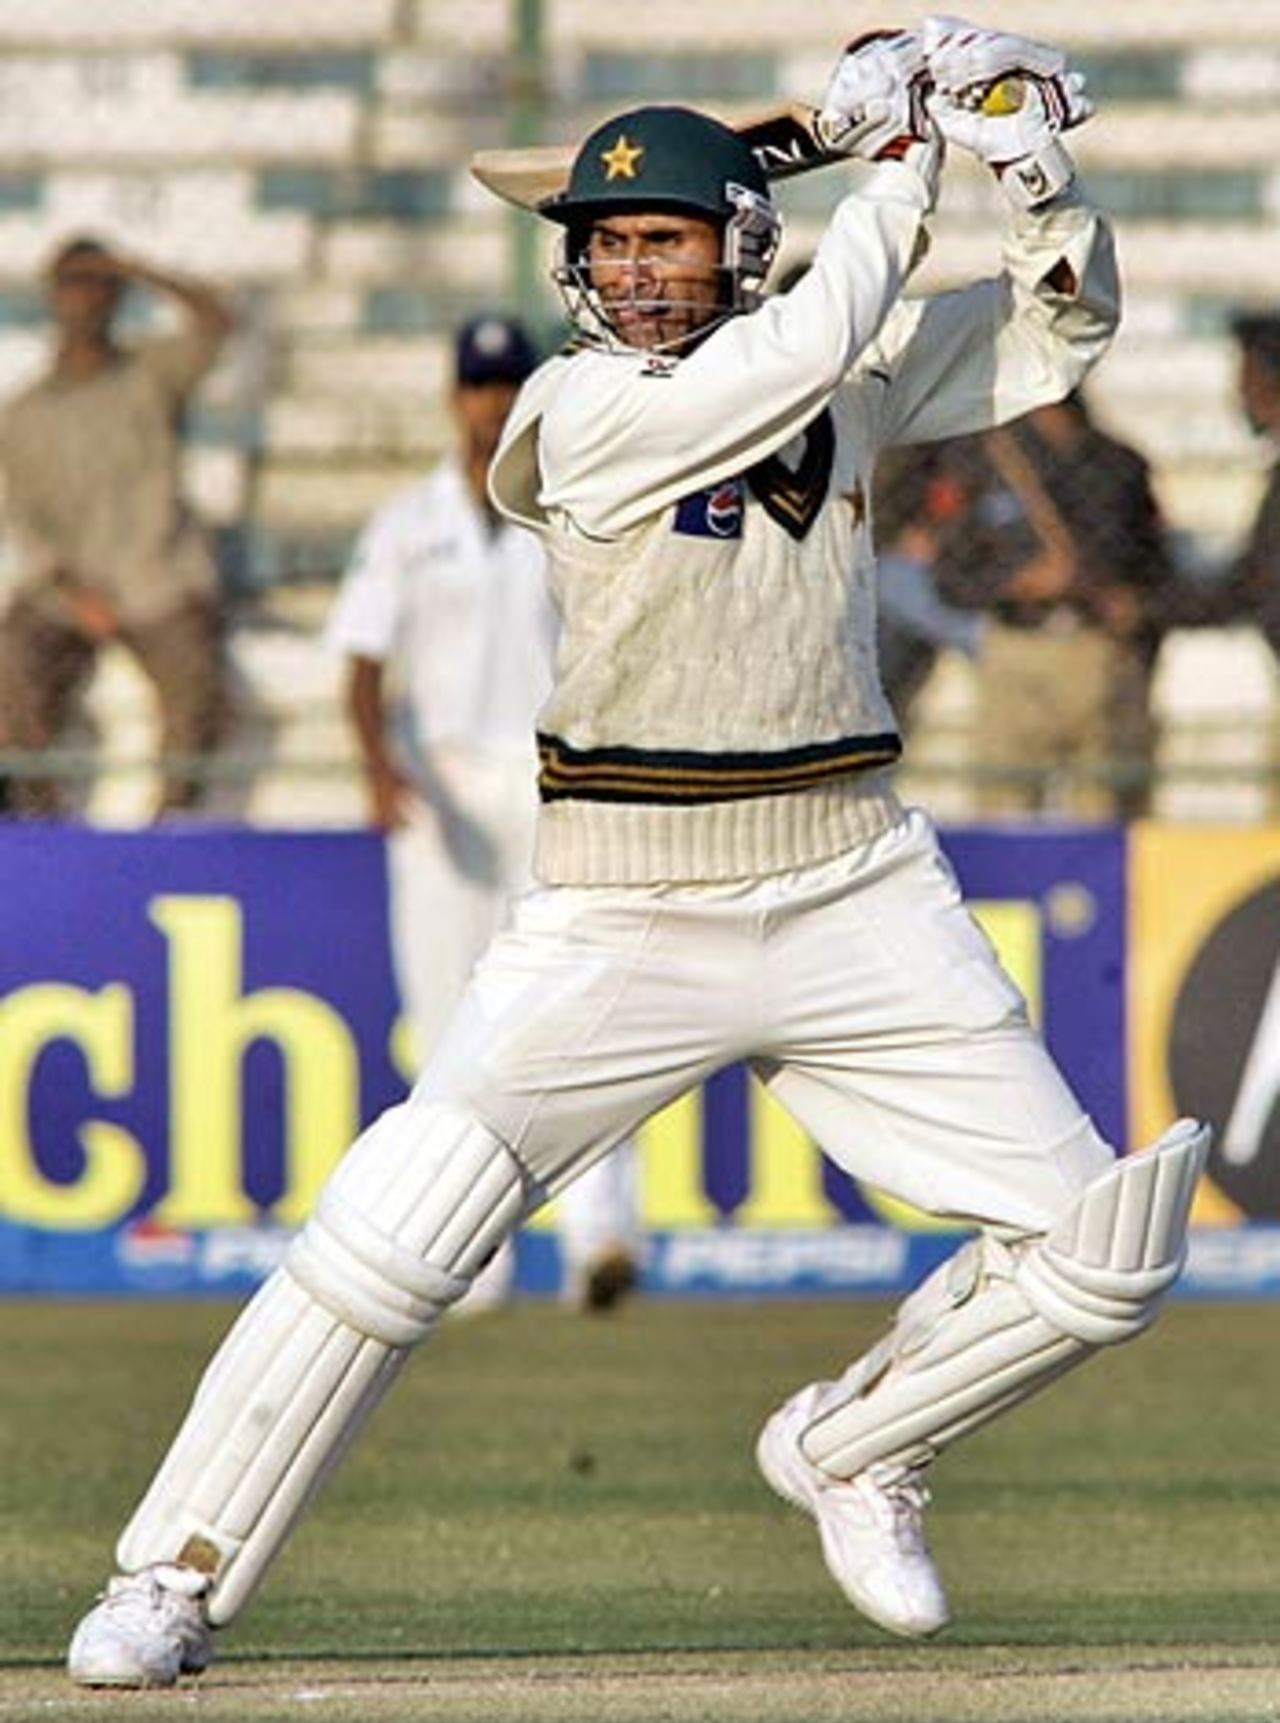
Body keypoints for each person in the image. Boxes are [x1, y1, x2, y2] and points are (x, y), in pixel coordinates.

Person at [66, 18, 1209, 1688]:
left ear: (736, 245)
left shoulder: (847, 370)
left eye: (666, 237)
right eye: (609, 244)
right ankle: (171, 1575)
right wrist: (901, 166)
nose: (636, 272)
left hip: (851, 886)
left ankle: (854, 1442)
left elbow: (1061, 329)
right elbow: (784, 364)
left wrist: (1033, 171)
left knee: (1105, 1250)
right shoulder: (574, 409)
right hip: (620, 903)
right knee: (397, 1227)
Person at [326, 312, 643, 1312]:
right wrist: (379, 769)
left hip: (557, 774)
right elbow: (364, 661)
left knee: (583, 1010)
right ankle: (468, 1257)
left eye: (508, 385)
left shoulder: (574, 505)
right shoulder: (406, 524)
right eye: (479, 386)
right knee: (446, 1020)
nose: (493, 405)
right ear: (454, 395)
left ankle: (600, 1237)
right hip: (444, 777)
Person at [0, 236, 235, 818]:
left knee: (197, 685)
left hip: (156, 581)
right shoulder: (22, 413)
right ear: (53, 297)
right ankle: (40, 829)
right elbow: (23, 521)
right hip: (66, 592)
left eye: (98, 283)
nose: (85, 297)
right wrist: (72, 592)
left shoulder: (152, 375)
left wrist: (131, 264)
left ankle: (167, 831)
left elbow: (219, 321)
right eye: (74, 283)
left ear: (117, 293)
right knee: (9, 666)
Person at [923, 394, 1178, 818]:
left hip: (1097, 648)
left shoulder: (1120, 464)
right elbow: (950, 574)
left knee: (1106, 815)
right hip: (1017, 649)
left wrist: (1128, 610)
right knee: (1003, 813)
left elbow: (1154, 567)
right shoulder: (983, 459)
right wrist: (1019, 583)